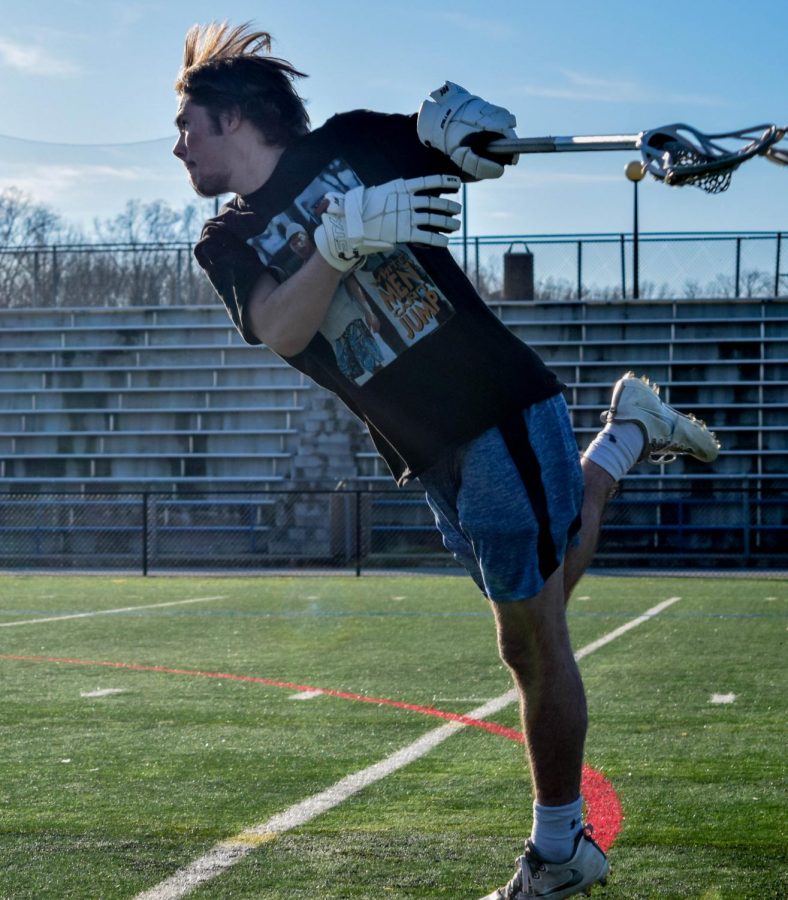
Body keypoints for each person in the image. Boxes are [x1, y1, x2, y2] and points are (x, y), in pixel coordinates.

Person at [173, 22, 720, 899]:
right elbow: (282, 330)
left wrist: (462, 125)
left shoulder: (350, 140)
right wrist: (337, 244)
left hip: (496, 401)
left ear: (235, 116)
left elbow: (471, 153)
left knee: (529, 637)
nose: (179, 146)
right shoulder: (223, 242)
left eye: (188, 125)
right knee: (537, 603)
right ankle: (625, 439)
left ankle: (558, 849)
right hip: (423, 449)